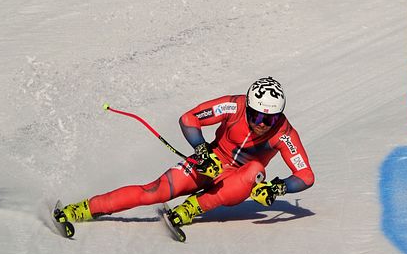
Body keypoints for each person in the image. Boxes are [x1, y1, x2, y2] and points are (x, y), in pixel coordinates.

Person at [54, 77, 314, 228]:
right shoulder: (234, 106)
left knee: (257, 171)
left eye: (269, 119)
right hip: (209, 162)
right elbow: (189, 118)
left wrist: (278, 189)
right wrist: (201, 151)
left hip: (237, 180)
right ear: (248, 106)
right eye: (257, 115)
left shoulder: (283, 132)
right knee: (154, 192)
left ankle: (192, 208)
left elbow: (305, 175)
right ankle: (83, 208)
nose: (261, 124)